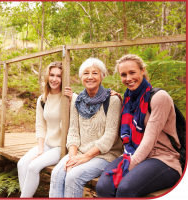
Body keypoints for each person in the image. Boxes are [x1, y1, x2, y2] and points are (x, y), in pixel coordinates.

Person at [96, 54, 182, 197]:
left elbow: (149, 140)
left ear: (142, 70)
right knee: (103, 187)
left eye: (132, 72)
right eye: (123, 75)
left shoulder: (159, 98)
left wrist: (127, 168)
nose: (128, 78)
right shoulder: (129, 99)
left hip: (163, 159)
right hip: (132, 153)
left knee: (125, 189)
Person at [49, 58, 124, 198]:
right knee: (57, 173)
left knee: (73, 176)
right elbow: (73, 132)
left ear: (102, 76)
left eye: (95, 73)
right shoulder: (77, 100)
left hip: (104, 155)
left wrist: (85, 157)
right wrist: (72, 157)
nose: (90, 77)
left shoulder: (112, 100)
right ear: (81, 77)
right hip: (79, 153)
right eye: (86, 73)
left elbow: (110, 137)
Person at [17, 61, 75, 197]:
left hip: (62, 147)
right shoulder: (43, 99)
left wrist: (71, 103)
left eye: (59, 76)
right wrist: (41, 149)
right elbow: (40, 126)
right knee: (22, 164)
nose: (54, 79)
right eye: (52, 75)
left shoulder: (70, 98)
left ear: (63, 78)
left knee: (33, 167)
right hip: (48, 144)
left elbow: (74, 125)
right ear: (47, 77)